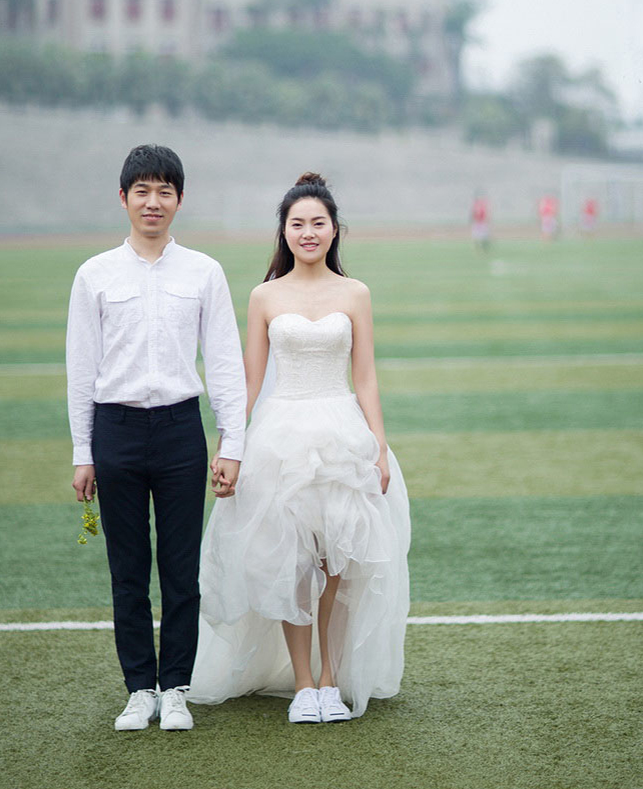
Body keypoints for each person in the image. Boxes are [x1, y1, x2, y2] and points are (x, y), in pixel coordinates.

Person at [189, 172, 410, 723]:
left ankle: (330, 680)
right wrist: (230, 447)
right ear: (284, 231)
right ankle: (303, 685)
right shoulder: (265, 295)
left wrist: (379, 446)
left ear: (335, 230)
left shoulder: (355, 293)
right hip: (280, 436)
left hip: (341, 435)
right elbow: (250, 380)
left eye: (318, 223)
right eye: (297, 224)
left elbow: (366, 378)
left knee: (336, 564)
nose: (308, 232)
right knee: (290, 563)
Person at [67, 144, 246, 732]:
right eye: (141, 191)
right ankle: (139, 689)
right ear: (123, 198)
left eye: (164, 191)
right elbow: (81, 369)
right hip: (115, 430)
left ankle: (176, 690)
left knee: (180, 571)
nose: (152, 202)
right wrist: (83, 452)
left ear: (179, 200)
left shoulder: (203, 272)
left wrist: (232, 443)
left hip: (179, 431)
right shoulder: (94, 274)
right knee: (127, 571)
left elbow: (224, 362)